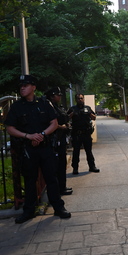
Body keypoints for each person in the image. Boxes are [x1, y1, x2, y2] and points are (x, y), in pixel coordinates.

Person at [5, 75, 71, 224]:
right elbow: (10, 128)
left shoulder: (44, 103)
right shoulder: (17, 107)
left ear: (33, 87)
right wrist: (28, 136)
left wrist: (40, 135)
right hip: (28, 149)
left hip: (45, 147)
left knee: (51, 179)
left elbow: (53, 123)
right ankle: (28, 211)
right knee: (30, 180)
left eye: (26, 85)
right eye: (21, 85)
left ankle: (59, 208)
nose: (22, 88)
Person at [45, 87, 72, 196]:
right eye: (58, 95)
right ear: (52, 96)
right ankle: (58, 189)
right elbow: (50, 123)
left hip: (61, 138)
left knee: (62, 164)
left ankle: (62, 187)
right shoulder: (48, 107)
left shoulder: (57, 106)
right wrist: (61, 127)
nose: (60, 97)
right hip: (54, 140)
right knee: (57, 166)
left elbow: (64, 117)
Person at [67, 93, 100, 174]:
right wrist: (72, 114)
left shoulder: (87, 108)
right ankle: (75, 168)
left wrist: (89, 113)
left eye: (81, 98)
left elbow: (94, 118)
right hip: (76, 134)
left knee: (89, 151)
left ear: (84, 99)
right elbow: (66, 118)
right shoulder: (72, 109)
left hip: (86, 133)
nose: (80, 100)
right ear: (76, 100)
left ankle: (92, 166)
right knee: (76, 152)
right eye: (78, 98)